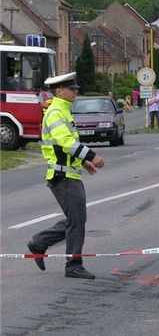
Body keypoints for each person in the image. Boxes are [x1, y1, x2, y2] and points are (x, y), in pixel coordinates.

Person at [28, 72, 105, 280]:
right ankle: (73, 265)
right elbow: (66, 143)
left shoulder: (63, 111)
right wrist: (92, 155)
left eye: (76, 89)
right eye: (72, 89)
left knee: (76, 220)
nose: (76, 92)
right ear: (59, 91)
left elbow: (66, 148)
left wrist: (83, 162)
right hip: (62, 177)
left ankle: (40, 243)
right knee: (77, 221)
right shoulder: (55, 113)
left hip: (69, 175)